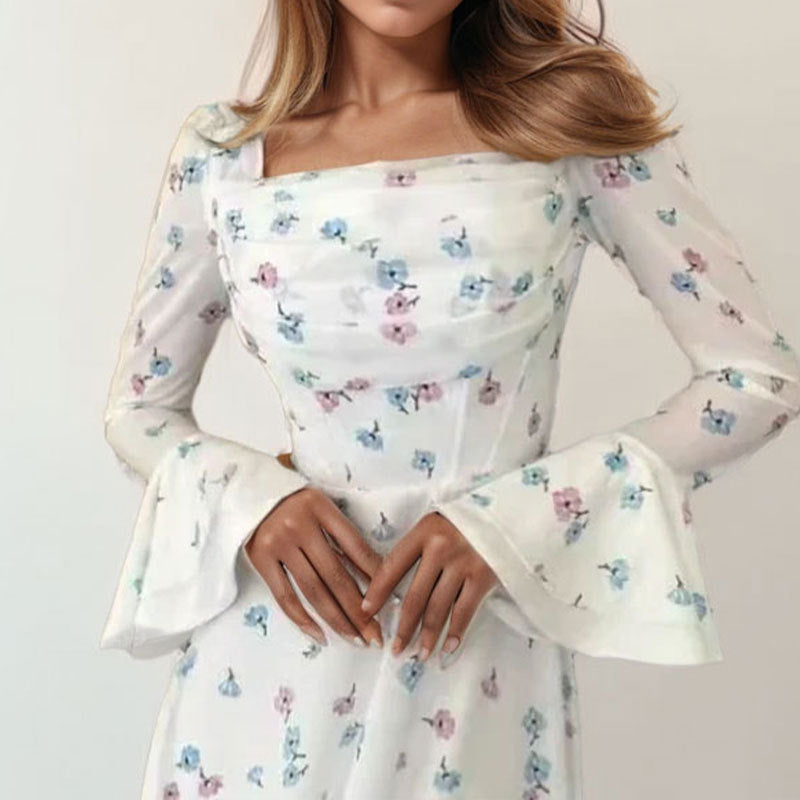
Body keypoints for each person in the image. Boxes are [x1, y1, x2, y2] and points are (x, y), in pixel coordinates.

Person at [98, 1, 800, 797]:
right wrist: (251, 502)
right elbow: (138, 412)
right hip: (267, 665)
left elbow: (756, 379)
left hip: (470, 655)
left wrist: (516, 521)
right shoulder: (225, 154)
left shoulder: (566, 126)